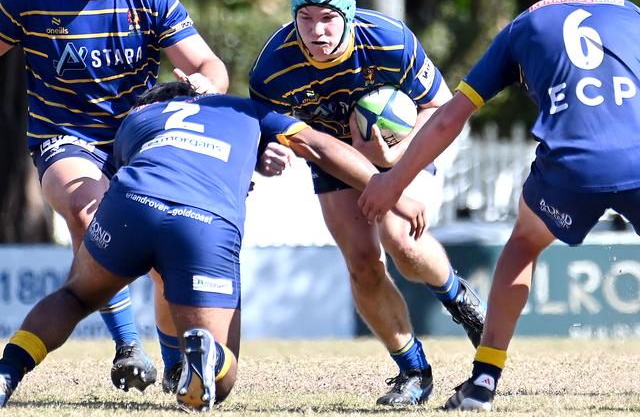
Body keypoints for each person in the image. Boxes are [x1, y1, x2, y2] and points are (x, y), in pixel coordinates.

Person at [0, 81, 428, 411]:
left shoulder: (138, 119)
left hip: (134, 203)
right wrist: (386, 186)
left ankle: (7, 372)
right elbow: (316, 144)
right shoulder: (247, 109)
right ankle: (207, 356)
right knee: (222, 378)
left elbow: (138, 165)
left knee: (74, 296)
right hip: (204, 223)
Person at [358, 0, 640, 411]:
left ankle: (484, 382)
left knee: (523, 245)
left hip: (571, 165)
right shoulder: (638, 18)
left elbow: (451, 115)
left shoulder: (524, 25)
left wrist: (394, 180)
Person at [249, 0, 486, 406]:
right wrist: (265, 153)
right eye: (307, 18)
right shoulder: (271, 70)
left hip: (403, 148)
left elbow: (440, 111)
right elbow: (280, 138)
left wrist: (393, 160)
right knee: (362, 262)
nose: (317, 31)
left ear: (350, 14)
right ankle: (414, 371)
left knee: (402, 240)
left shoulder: (389, 39)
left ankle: (462, 302)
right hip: (332, 158)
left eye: (329, 19)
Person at [0, 0, 229, 392]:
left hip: (137, 143)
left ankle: (172, 364)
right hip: (64, 140)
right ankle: (128, 347)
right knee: (90, 209)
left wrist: (204, 86)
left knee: (168, 247)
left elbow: (212, 67)